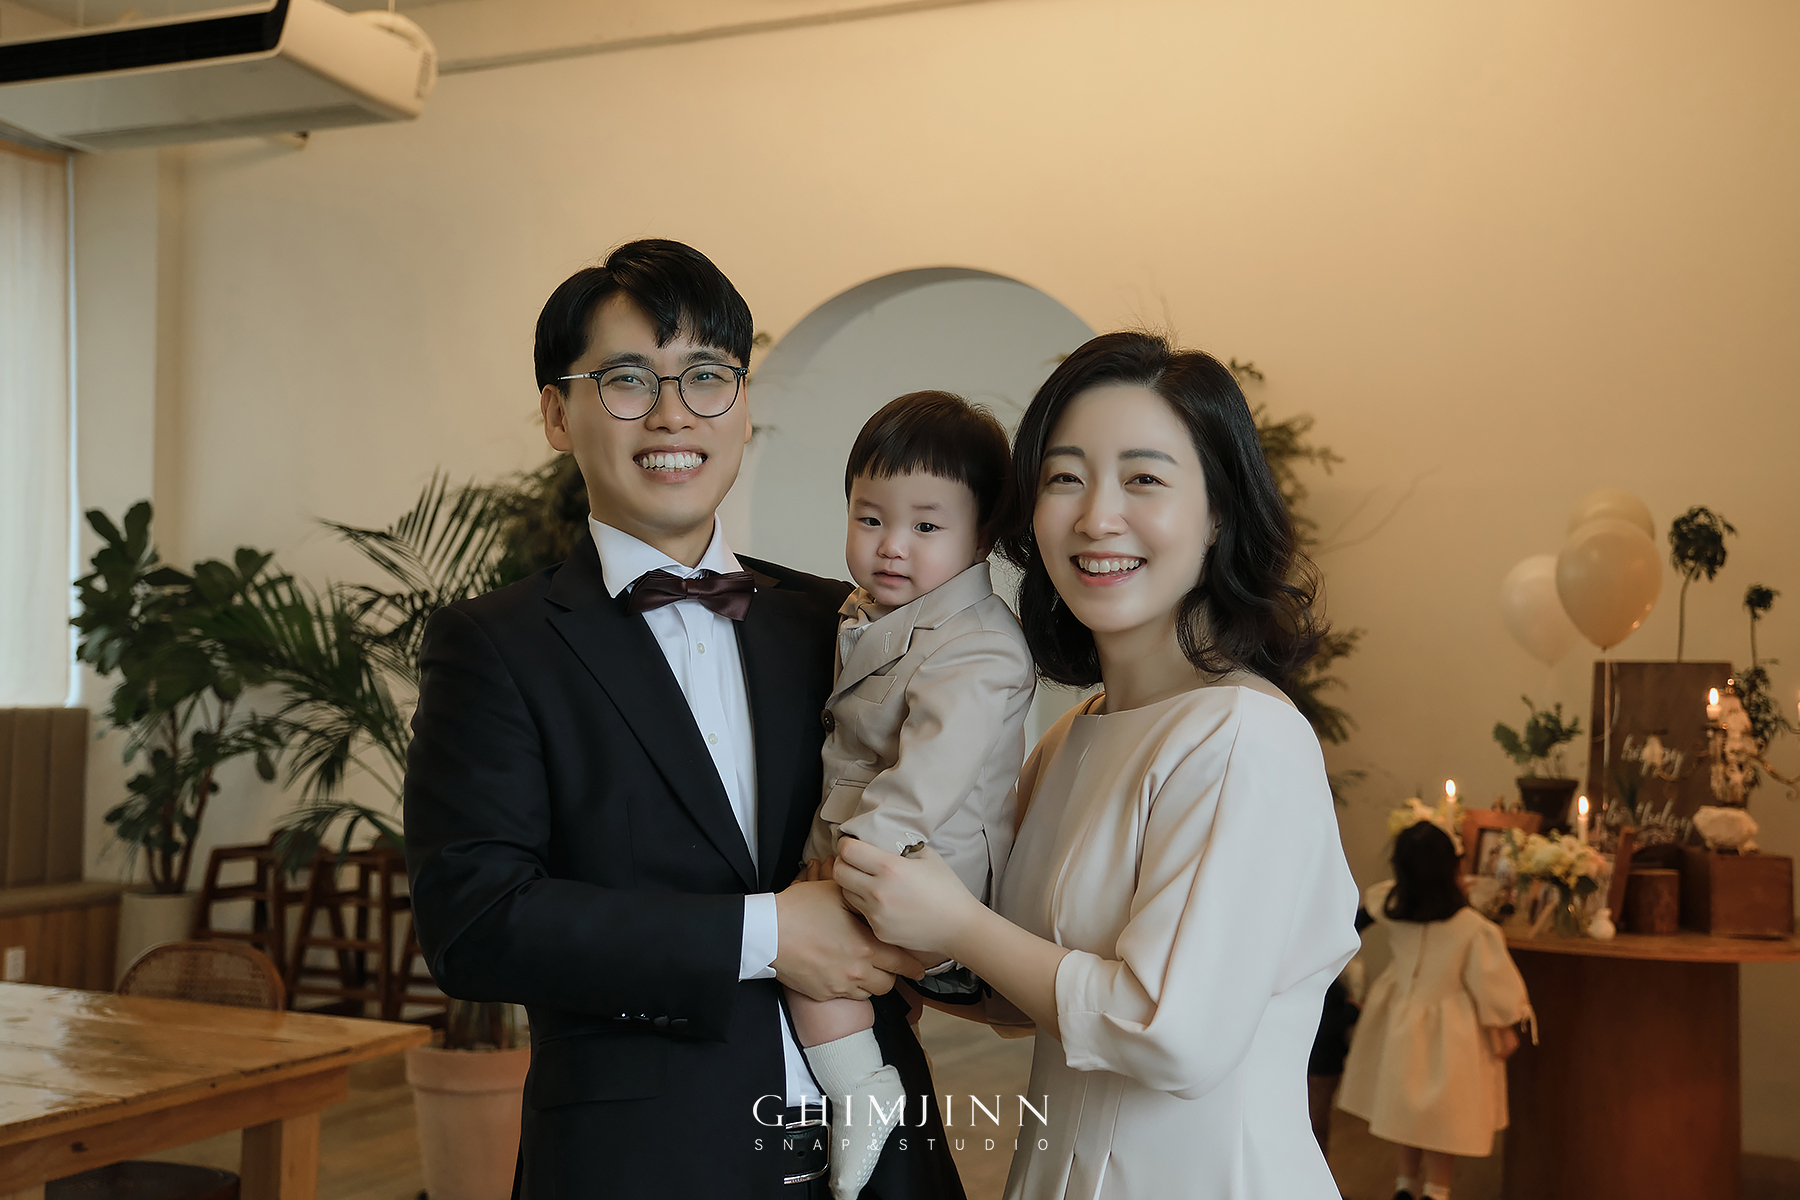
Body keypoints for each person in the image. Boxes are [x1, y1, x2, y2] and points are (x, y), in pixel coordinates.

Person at [403, 240, 966, 1200]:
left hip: (886, 1152)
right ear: (557, 414)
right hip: (644, 1160)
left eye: (707, 376)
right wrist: (767, 933)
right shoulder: (493, 646)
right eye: (627, 379)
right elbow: (477, 923)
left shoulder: (840, 622)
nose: (673, 413)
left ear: (742, 407)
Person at [828, 330, 1362, 1199]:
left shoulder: (1243, 738)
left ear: (1218, 513)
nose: (1096, 517)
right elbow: (1017, 990)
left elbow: (1172, 1034)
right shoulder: (1072, 736)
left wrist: (955, 924)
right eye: (1065, 478)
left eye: (1143, 479)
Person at [788, 392, 1036, 1200]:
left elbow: (925, 780)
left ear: (982, 535)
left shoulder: (980, 648)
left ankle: (862, 1090)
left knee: (806, 963)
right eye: (870, 519)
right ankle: (875, 1067)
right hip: (875, 845)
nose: (892, 545)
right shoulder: (876, 613)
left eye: (926, 526)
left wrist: (847, 869)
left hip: (925, 869)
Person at [1336, 816, 1534, 1200]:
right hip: (1452, 1034)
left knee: (1406, 1111)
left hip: (1400, 1020)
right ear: (1454, 869)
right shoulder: (1473, 929)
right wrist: (1505, 1023)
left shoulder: (1393, 909)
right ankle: (1437, 1191)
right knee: (1444, 1117)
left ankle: (1404, 1184)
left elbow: (1361, 915)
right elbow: (1491, 985)